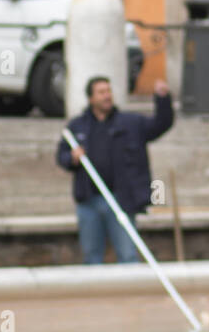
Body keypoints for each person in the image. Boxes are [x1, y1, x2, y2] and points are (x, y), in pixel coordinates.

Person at [56, 75, 174, 265]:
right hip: (89, 202)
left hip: (120, 200)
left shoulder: (131, 123)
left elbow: (161, 124)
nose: (107, 96)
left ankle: (133, 293)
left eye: (109, 91)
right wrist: (72, 157)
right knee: (92, 256)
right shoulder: (77, 126)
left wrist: (162, 99)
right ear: (90, 98)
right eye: (101, 92)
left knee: (128, 254)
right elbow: (61, 156)